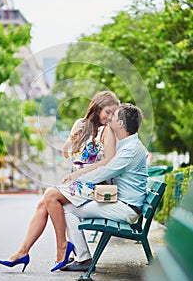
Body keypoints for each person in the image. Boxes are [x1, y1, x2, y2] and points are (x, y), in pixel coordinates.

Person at [0, 91, 120, 272]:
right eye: (107, 111)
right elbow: (66, 152)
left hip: (94, 184)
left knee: (50, 195)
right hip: (78, 182)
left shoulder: (108, 131)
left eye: (113, 113)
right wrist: (72, 138)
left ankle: (62, 247)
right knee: (42, 205)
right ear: (98, 107)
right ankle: (23, 252)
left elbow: (108, 161)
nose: (109, 117)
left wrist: (80, 173)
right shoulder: (81, 124)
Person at [44, 103, 148, 271]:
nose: (110, 118)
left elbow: (105, 171)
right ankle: (81, 256)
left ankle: (82, 258)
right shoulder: (127, 144)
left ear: (120, 123)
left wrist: (77, 177)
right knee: (65, 204)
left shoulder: (131, 149)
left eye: (114, 116)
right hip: (122, 203)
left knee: (66, 207)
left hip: (126, 209)